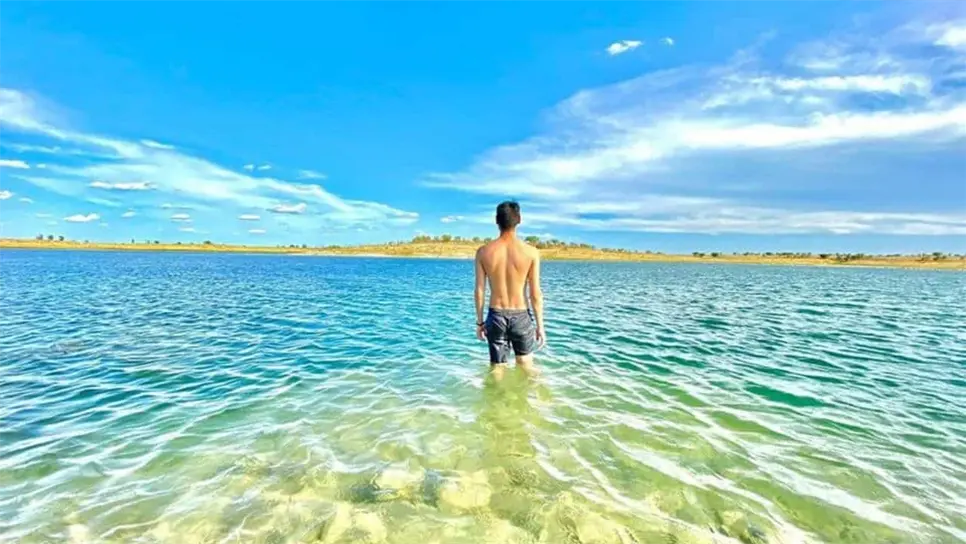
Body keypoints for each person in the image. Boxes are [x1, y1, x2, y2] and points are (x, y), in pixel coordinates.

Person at [474, 201, 545, 379]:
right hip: (521, 315)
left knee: (497, 369)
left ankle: (497, 404)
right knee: (527, 366)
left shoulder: (484, 252)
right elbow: (535, 294)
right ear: (519, 219)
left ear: (496, 221)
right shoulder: (531, 252)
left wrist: (480, 322)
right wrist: (540, 327)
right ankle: (538, 400)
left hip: (496, 315)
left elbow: (480, 290)